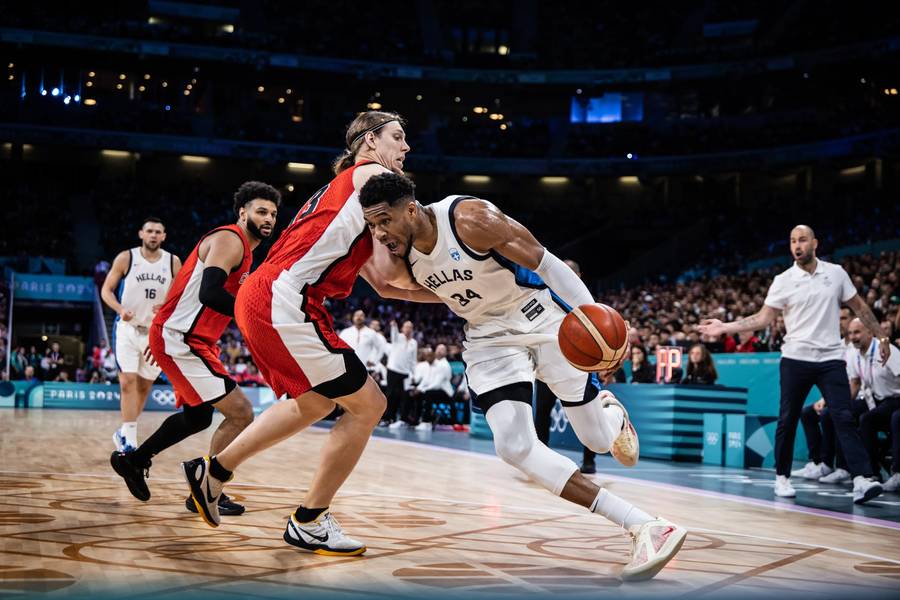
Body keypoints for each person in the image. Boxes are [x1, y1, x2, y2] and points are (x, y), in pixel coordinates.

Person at [359, 172, 686, 582]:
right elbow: (395, 288)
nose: (379, 233)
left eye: (383, 221)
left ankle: (611, 414)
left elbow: (545, 262)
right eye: (371, 225)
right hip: (487, 338)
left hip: (540, 317)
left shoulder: (470, 218)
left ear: (409, 210)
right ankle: (644, 525)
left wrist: (591, 319)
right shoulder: (404, 254)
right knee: (513, 446)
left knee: (599, 442)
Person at [182, 111, 438, 557]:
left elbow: (382, 280)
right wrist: (463, 279)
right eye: (398, 137)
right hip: (285, 298)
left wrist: (452, 298)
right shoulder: (374, 175)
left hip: (270, 296)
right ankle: (309, 520)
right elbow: (414, 231)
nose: (406, 147)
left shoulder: (348, 191)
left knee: (316, 402)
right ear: (369, 141)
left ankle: (215, 472)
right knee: (369, 405)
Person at [109, 181, 281, 518]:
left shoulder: (245, 250)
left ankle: (135, 460)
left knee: (199, 416)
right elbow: (209, 293)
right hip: (180, 338)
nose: (269, 218)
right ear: (243, 212)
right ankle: (208, 490)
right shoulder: (230, 240)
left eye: (274, 214)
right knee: (241, 412)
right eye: (261, 211)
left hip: (184, 337)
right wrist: (255, 318)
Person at [699, 225, 888, 504]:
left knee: (844, 417)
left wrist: (882, 336)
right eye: (792, 241)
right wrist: (724, 327)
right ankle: (782, 477)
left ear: (815, 243)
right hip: (795, 359)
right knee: (787, 419)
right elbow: (762, 319)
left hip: (831, 358)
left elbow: (859, 307)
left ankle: (861, 478)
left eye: (802, 240)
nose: (797, 245)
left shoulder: (836, 274)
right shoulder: (783, 280)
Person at [101, 217, 180, 452]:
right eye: (149, 231)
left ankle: (124, 431)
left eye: (158, 231)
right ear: (141, 234)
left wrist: (167, 307)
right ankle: (130, 439)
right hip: (128, 329)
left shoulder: (173, 261)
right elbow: (106, 290)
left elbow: (182, 294)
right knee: (127, 381)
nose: (154, 235)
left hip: (155, 333)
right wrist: (119, 310)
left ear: (164, 236)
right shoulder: (127, 257)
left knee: (145, 387)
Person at [533, 259, 598, 474]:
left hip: (579, 365)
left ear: (578, 277)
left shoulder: (585, 301)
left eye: (569, 271)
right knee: (541, 412)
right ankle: (541, 459)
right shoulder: (544, 295)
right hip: (549, 364)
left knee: (588, 417)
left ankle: (589, 461)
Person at [847, 318, 900, 481]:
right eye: (850, 333)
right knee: (842, 414)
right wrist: (842, 406)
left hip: (896, 397)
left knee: (868, 420)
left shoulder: (887, 350)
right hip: (877, 399)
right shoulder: (853, 353)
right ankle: (856, 470)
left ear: (870, 332)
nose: (853, 337)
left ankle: (889, 472)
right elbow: (855, 383)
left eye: (857, 332)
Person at [382, 320, 417, 426]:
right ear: (402, 328)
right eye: (406, 327)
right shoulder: (398, 337)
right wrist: (394, 326)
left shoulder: (414, 342)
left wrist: (413, 373)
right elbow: (394, 335)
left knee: (402, 396)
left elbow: (413, 359)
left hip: (405, 373)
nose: (408, 329)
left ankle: (398, 419)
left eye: (410, 327)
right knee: (390, 394)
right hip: (393, 370)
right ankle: (387, 418)